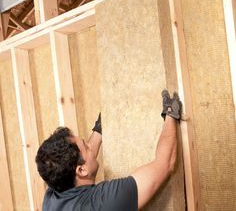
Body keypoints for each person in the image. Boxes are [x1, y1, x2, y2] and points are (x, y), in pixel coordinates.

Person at [35, 90, 182, 211]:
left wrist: (99, 129)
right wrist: (170, 114)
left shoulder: (52, 197)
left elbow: (83, 159)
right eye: (86, 147)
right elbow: (165, 163)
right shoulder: (102, 203)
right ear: (81, 171)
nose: (90, 146)